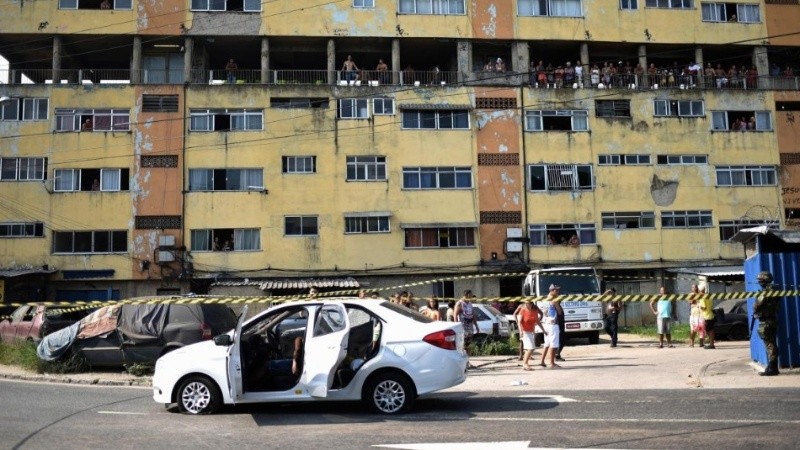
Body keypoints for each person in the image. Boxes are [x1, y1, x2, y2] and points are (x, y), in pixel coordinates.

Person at [754, 271, 780, 376]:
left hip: (766, 320)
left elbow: (757, 305)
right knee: (772, 343)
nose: (760, 283)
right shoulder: (775, 291)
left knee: (769, 344)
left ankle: (772, 368)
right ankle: (773, 367)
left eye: (761, 281)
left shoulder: (766, 292)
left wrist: (756, 304)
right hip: (772, 319)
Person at [514, 299, 546, 370]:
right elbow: (519, 322)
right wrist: (520, 331)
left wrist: (543, 330)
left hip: (531, 331)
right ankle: (525, 364)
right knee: (530, 348)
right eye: (525, 303)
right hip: (524, 331)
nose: (526, 305)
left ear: (531, 304)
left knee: (531, 348)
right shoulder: (523, 310)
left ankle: (525, 364)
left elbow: (538, 321)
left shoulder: (534, 311)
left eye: (528, 303)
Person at [539, 284, 563, 368]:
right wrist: (558, 303)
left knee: (547, 344)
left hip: (545, 323)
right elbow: (559, 312)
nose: (558, 292)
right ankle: (552, 363)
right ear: (551, 291)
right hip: (553, 324)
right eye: (556, 290)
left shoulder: (544, 299)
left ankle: (542, 361)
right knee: (553, 344)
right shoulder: (554, 300)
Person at [454, 290, 479, 358]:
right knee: (462, 344)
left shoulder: (470, 304)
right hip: (463, 326)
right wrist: (457, 326)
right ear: (467, 295)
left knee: (468, 345)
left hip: (470, 326)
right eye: (471, 295)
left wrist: (476, 326)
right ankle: (462, 361)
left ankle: (468, 360)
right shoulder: (459, 303)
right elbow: (455, 315)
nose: (471, 296)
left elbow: (472, 315)